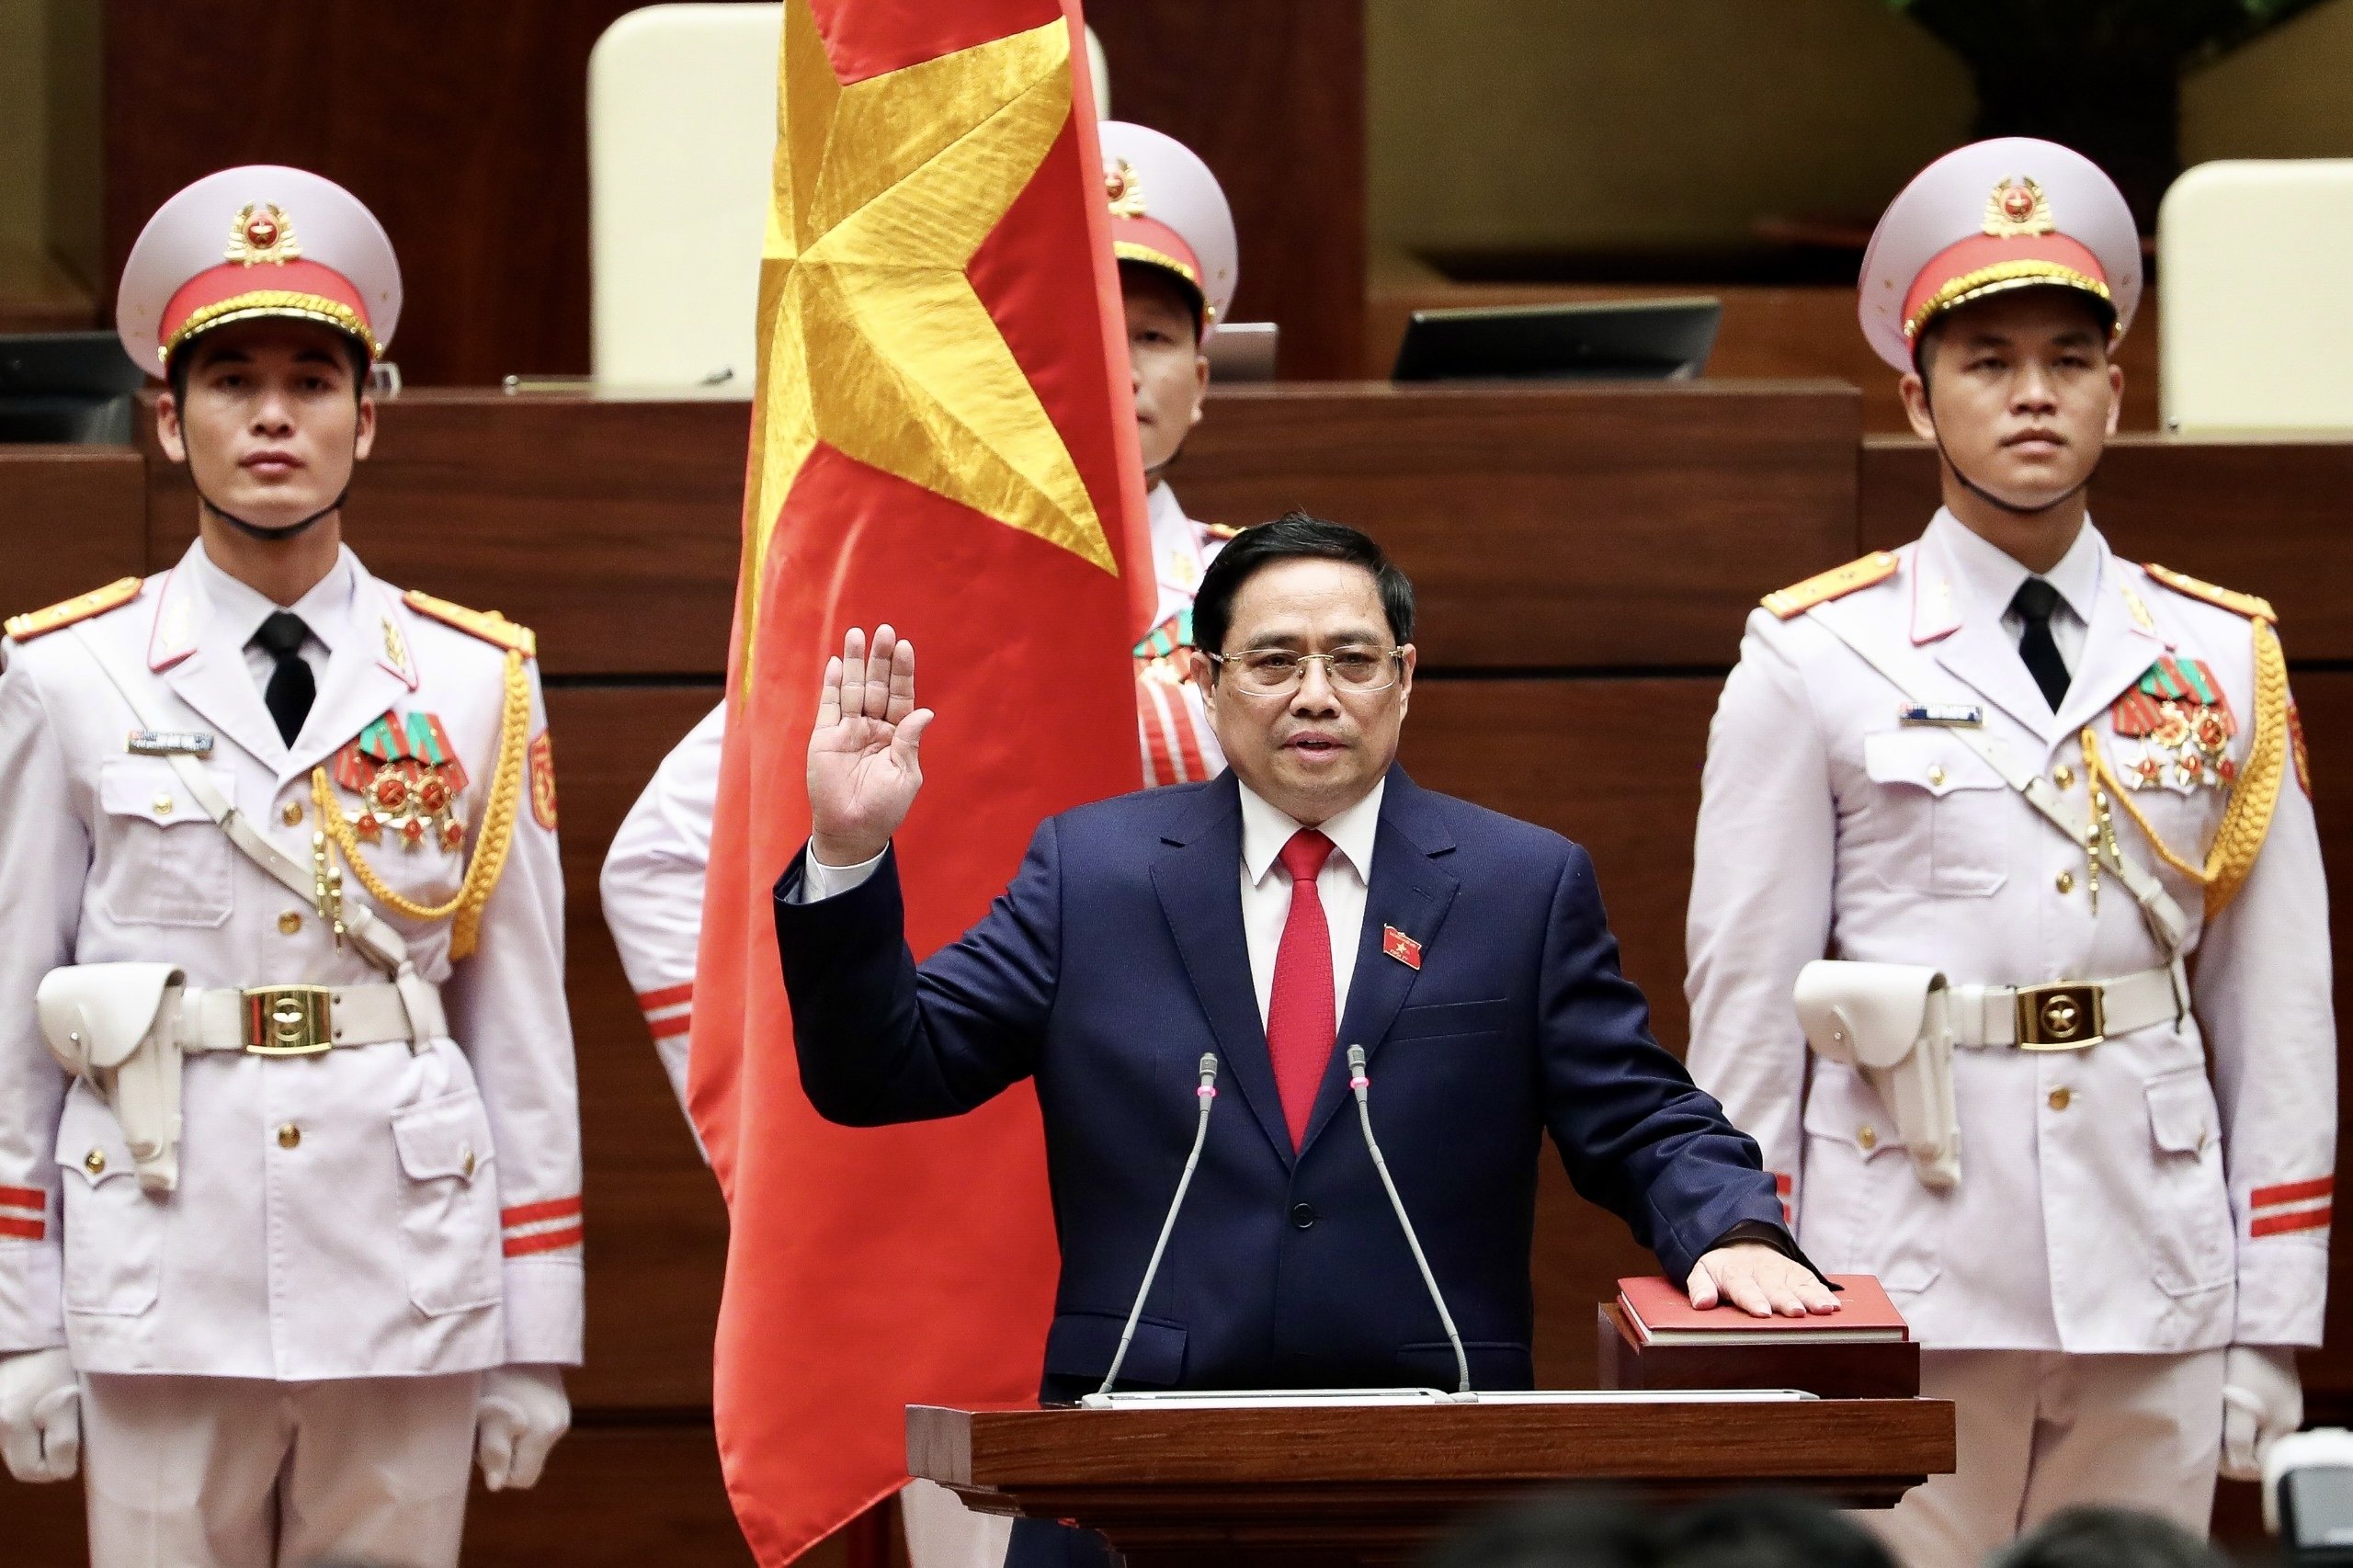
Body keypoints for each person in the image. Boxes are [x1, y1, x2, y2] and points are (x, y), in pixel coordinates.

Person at [778, 513, 1835, 1567]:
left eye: (1354, 660)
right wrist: (848, 850)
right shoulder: (1090, 873)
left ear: (1404, 676)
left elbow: (1638, 1113)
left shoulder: (1521, 884)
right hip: (1127, 1471)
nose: (1316, 693)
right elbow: (882, 1070)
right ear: (1206, 677)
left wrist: (1731, 1230)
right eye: (1275, 659)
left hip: (1435, 1467)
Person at [1684, 138, 2331, 1567]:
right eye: (1987, 360)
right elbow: (1748, 992)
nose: (2032, 393)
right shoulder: (1817, 651)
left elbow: (2275, 1005)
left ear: (2118, 385)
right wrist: (1750, 1270)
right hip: (1901, 1250)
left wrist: (2272, 1315)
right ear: (1917, 397)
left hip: (2150, 1254)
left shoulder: (2220, 651)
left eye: (2067, 356)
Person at [0, 166, 582, 1568]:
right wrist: (18, 1317)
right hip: (157, 1246)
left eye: (314, 380)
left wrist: (536, 1327)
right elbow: (16, 1007)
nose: (273, 415)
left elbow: (522, 1022)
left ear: (368, 419)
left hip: (404, 1254)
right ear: (165, 417)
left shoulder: (469, 678)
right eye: (232, 380)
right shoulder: (65, 673)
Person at [602, 119, 1240, 1114]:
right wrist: (768, 1137)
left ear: (1200, 385)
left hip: (1202, 1108)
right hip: (957, 1118)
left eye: (1151, 336)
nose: (1115, 367)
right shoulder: (920, 599)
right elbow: (659, 857)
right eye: (1082, 328)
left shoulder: (1258, 603)